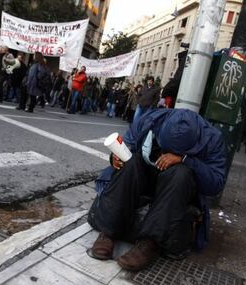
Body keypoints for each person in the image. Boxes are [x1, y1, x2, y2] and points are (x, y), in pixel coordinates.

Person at [88, 109, 226, 271]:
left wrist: (186, 160)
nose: (166, 154)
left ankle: (148, 243)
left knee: (181, 173)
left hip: (176, 187)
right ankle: (109, 231)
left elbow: (216, 184)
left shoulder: (213, 139)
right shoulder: (151, 119)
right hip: (148, 175)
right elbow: (128, 143)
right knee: (132, 162)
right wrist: (115, 157)